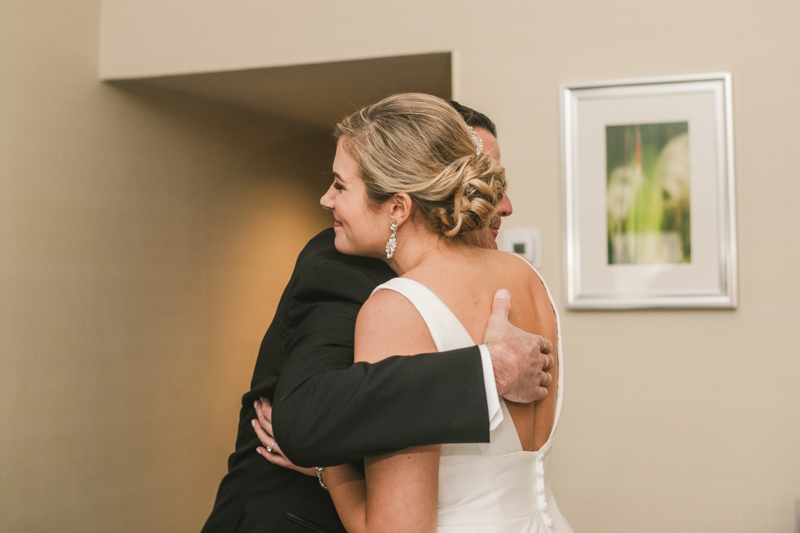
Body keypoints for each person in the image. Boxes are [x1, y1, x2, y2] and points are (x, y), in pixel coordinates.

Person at [199, 100, 555, 533]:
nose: (491, 197)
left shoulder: (460, 283)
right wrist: (487, 370)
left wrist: (332, 471)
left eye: (340, 186)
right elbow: (303, 415)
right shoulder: (344, 265)